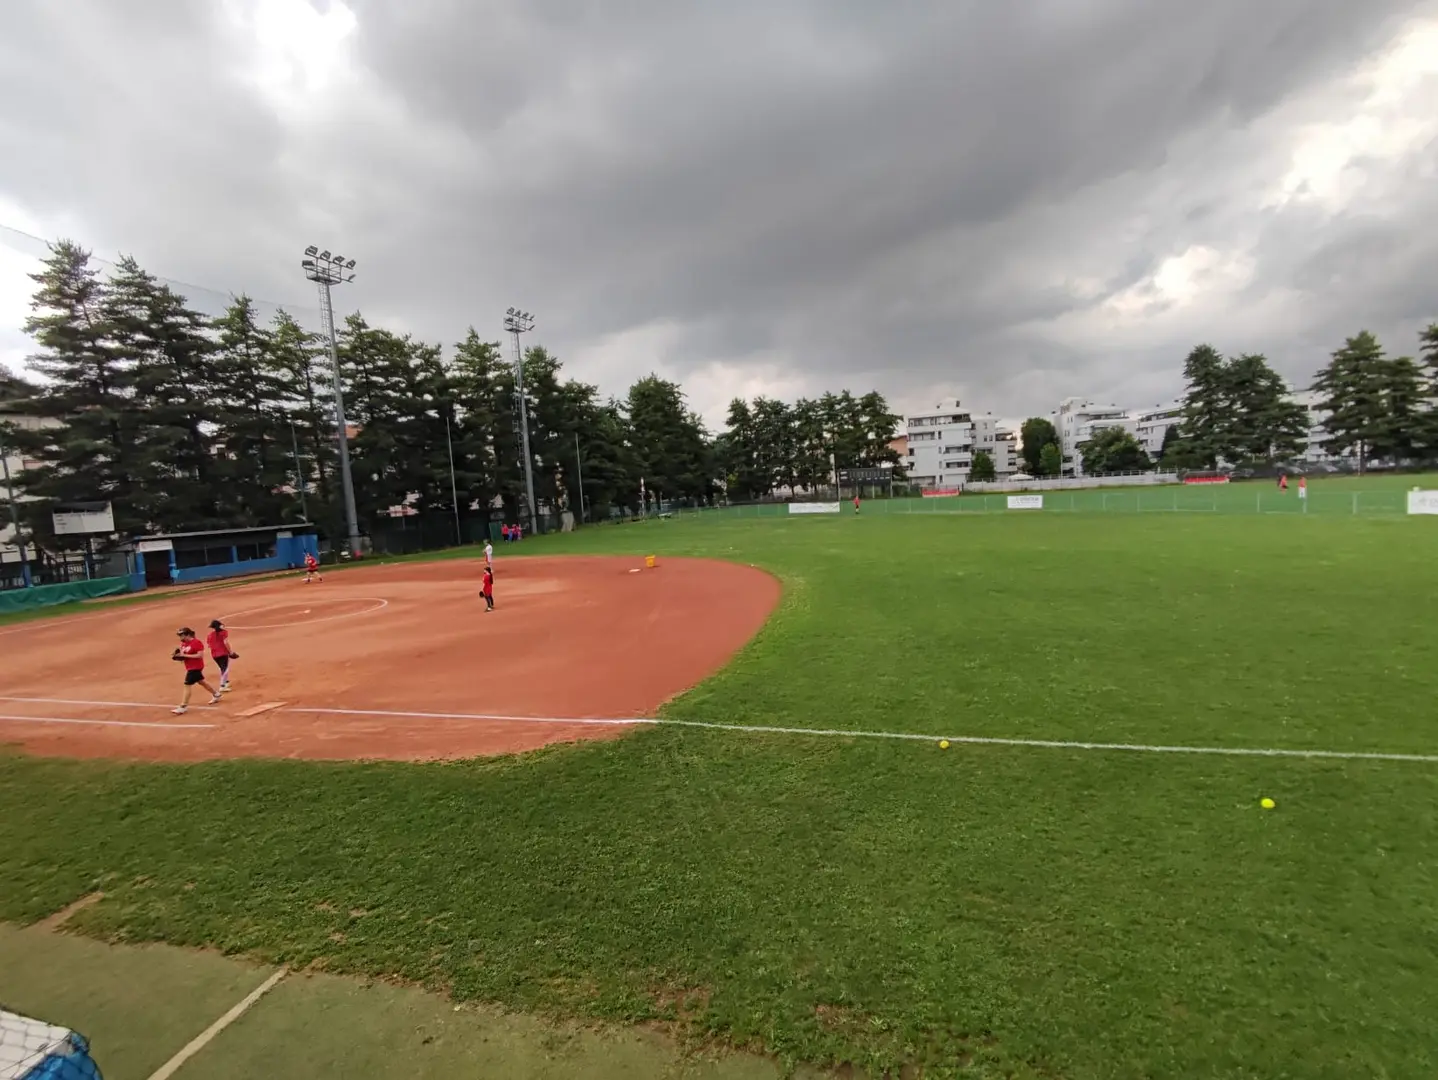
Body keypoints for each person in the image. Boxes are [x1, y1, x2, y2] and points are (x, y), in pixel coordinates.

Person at [172, 627, 221, 715]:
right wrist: (179, 657)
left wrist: (184, 656)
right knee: (201, 682)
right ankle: (216, 694)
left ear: (187, 635)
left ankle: (183, 706)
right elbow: (184, 656)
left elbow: (199, 655)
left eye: (181, 635)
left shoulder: (196, 642)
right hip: (190, 667)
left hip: (196, 667)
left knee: (187, 685)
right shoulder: (183, 644)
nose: (180, 637)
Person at [206, 619, 238, 693]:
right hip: (223, 653)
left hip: (214, 655)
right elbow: (225, 643)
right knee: (225, 669)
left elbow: (209, 645)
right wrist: (230, 652)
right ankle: (222, 686)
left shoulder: (209, 635)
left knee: (222, 668)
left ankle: (226, 682)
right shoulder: (224, 632)